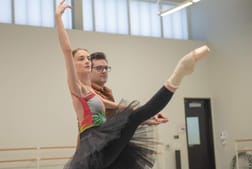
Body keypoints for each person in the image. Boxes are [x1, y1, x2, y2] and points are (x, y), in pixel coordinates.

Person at [55, 1, 210, 169]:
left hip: (102, 143)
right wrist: (58, 18)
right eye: (80, 58)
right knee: (134, 118)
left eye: (87, 58)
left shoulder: (92, 94)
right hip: (93, 148)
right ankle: (180, 71)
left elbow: (120, 108)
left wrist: (148, 117)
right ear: (72, 63)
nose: (86, 61)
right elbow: (66, 49)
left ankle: (180, 73)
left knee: (134, 116)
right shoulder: (76, 88)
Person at [89, 52, 169, 168]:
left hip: (110, 145)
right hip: (96, 150)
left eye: (106, 68)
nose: (104, 71)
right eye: (99, 68)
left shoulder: (106, 92)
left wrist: (147, 119)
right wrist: (144, 114)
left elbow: (117, 119)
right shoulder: (87, 92)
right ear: (89, 71)